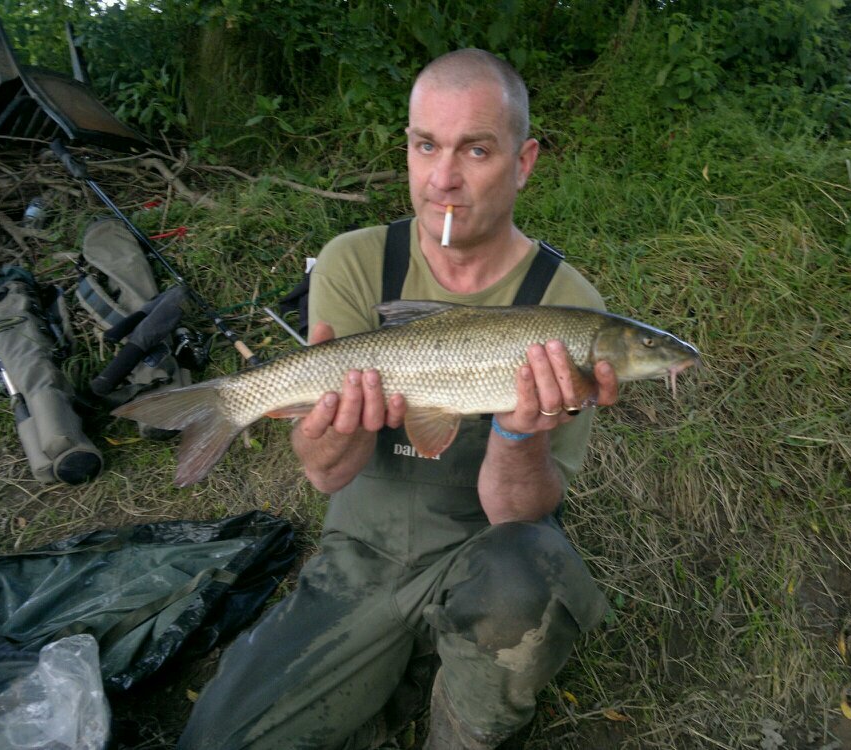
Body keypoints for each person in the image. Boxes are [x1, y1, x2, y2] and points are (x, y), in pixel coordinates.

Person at [177, 48, 619, 750]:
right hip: (363, 553)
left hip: (485, 550)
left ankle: (464, 721)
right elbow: (326, 474)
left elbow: (521, 514)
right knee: (218, 741)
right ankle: (390, 669)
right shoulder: (356, 261)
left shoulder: (569, 307)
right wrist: (332, 426)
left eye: (476, 150)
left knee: (527, 573)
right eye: (425, 147)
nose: (443, 179)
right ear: (408, 151)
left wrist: (518, 432)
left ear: (524, 161)